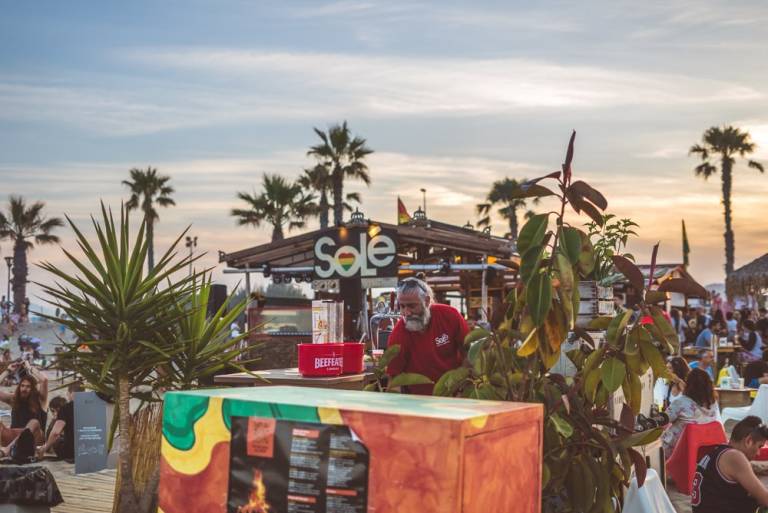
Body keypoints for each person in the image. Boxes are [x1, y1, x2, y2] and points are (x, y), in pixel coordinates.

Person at [386, 277, 469, 395]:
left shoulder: (450, 316)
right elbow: (394, 380)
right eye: (402, 306)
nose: (406, 313)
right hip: (419, 402)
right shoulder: (398, 335)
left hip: (455, 394)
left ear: (426, 301)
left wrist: (464, 387)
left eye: (412, 306)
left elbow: (469, 353)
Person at [692, 415, 768, 512]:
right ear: (749, 441)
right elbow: (765, 499)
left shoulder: (718, 451)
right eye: (759, 446)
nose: (758, 453)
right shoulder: (735, 457)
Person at [661, 368, 721, 457]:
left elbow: (663, 419)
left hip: (677, 451)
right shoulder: (713, 403)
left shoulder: (681, 402)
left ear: (689, 384)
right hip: (701, 450)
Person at [0, 360, 48, 456]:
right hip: (15, 436)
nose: (24, 389)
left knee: (34, 422)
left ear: (33, 388)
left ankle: (8, 449)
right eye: (22, 386)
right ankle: (11, 446)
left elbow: (44, 380)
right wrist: (8, 371)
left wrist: (29, 368)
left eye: (28, 387)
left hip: (34, 439)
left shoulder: (41, 399)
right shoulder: (14, 399)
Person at [37, 382, 81, 461]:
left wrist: (44, 448)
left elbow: (55, 433)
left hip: (70, 453)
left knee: (57, 440)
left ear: (69, 393)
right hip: (88, 450)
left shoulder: (65, 408)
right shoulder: (91, 406)